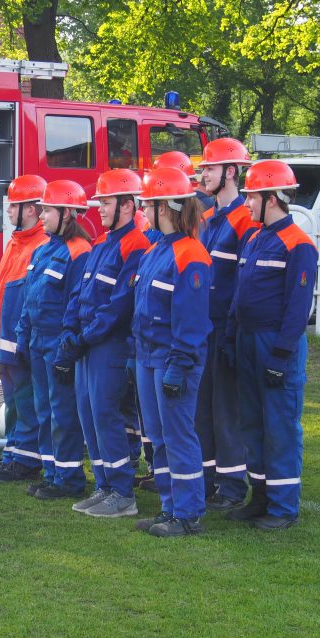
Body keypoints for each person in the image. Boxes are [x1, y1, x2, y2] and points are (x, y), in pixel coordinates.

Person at [225, 159, 317, 530]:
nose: (247, 204)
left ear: (272, 198)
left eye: (252, 197)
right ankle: (259, 496)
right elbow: (239, 295)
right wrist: (232, 338)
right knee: (252, 423)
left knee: (279, 426)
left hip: (275, 345)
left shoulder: (299, 244)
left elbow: (298, 308)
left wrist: (280, 354)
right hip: (248, 340)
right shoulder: (253, 238)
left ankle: (282, 508)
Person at [58, 168, 150, 518]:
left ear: (127, 205)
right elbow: (79, 293)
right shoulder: (101, 244)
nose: (100, 209)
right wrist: (70, 331)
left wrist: (84, 336)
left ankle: (122, 492)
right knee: (89, 416)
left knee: (106, 415)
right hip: (87, 345)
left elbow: (119, 304)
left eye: (106, 203)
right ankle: (104, 484)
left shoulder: (136, 245)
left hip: (108, 346)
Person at [131, 167, 213, 537]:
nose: (143, 212)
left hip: (172, 359)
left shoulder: (190, 254)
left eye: (148, 205)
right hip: (149, 356)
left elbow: (191, 320)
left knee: (179, 436)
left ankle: (189, 512)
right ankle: (170, 507)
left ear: (164, 207)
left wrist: (179, 365)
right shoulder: (156, 250)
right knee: (159, 437)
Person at [15, 180, 92, 499]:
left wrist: (68, 347)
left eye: (47, 210)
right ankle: (52, 472)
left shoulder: (80, 252)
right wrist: (23, 336)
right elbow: (30, 296)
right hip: (38, 342)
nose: (42, 216)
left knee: (63, 412)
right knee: (43, 408)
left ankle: (69, 478)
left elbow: (79, 304)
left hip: (59, 343)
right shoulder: (44, 249)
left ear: (68, 212)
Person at [195, 137, 258, 511]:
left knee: (226, 411)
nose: (203, 174)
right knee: (202, 409)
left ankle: (233, 487)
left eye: (210, 168)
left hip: (224, 327)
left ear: (230, 171)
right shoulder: (207, 219)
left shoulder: (243, 220)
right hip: (203, 327)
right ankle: (205, 481)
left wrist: (232, 332)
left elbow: (242, 281)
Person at [0, 175, 50, 483]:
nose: (8, 211)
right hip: (7, 342)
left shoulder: (39, 245)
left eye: (14, 206)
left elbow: (31, 302)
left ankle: (25, 459)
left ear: (32, 210)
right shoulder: (17, 243)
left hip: (20, 343)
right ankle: (13, 454)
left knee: (25, 401)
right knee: (14, 402)